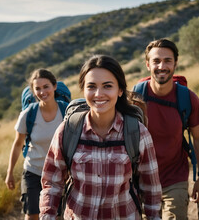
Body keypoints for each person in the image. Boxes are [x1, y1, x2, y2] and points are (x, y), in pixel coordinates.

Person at [39, 55, 162, 220]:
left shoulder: (137, 133)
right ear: (83, 90)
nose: (99, 94)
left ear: (120, 90)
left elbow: (150, 187)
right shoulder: (68, 130)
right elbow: (52, 182)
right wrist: (47, 216)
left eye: (107, 86)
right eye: (91, 86)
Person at [134, 39, 199, 219]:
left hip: (175, 177)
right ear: (147, 64)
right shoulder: (137, 97)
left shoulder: (188, 99)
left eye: (167, 60)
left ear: (175, 63)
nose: (162, 66)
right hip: (142, 180)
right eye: (156, 61)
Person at [5, 69, 65, 220]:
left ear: (54, 86)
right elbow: (18, 144)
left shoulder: (66, 111)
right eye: (37, 88)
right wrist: (9, 172)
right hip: (33, 171)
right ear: (33, 91)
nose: (42, 91)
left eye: (46, 86)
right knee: (32, 216)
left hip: (57, 173)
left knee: (55, 217)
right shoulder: (28, 114)